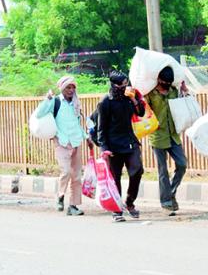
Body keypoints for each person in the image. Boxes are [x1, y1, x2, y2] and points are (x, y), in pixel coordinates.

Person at [35, 76, 93, 216]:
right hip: (61, 142)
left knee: (76, 176)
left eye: (73, 87)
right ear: (62, 88)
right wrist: (47, 99)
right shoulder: (55, 102)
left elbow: (77, 123)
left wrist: (86, 137)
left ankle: (73, 205)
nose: (71, 90)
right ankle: (60, 195)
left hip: (76, 141)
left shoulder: (75, 104)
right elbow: (39, 113)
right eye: (68, 87)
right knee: (66, 171)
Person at [97, 71, 145, 222]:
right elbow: (101, 127)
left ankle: (129, 203)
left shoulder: (130, 96)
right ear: (114, 85)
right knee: (115, 178)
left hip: (129, 141)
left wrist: (134, 99)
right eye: (122, 84)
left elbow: (141, 113)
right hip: (113, 145)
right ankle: (117, 209)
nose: (125, 86)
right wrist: (104, 148)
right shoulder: (105, 101)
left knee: (137, 171)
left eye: (126, 83)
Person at [145, 66, 188, 216]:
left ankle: (171, 192)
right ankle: (166, 202)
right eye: (165, 82)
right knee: (163, 170)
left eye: (169, 82)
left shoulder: (173, 91)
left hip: (173, 135)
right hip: (158, 136)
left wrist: (184, 90)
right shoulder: (150, 94)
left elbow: (183, 105)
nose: (167, 85)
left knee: (182, 164)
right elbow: (143, 112)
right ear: (159, 80)